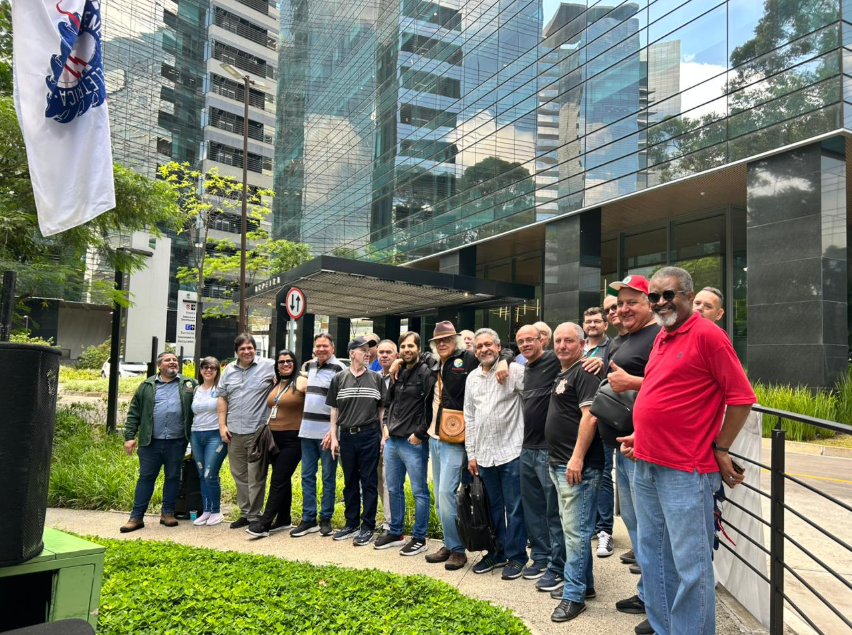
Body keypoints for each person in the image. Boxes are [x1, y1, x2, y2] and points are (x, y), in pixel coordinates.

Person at [622, 267, 754, 635]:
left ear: (688, 296)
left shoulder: (708, 335)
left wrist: (721, 448)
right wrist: (640, 434)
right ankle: (665, 628)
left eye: (669, 294)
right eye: (655, 296)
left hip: (686, 470)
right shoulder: (663, 337)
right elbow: (663, 392)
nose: (661, 302)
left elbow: (741, 398)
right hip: (647, 462)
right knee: (653, 558)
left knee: (690, 567)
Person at [417, 320, 510, 571]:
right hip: (435, 436)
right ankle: (450, 543)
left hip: (456, 439)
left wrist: (504, 361)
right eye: (438, 340)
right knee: (440, 498)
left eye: (447, 339)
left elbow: (502, 352)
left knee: (447, 494)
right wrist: (396, 362)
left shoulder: (467, 358)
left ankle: (458, 550)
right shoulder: (433, 362)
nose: (443, 343)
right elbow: (411, 358)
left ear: (456, 340)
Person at [605, 274, 660, 635]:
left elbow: (672, 383)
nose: (624, 309)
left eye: (632, 302)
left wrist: (632, 383)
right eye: (620, 303)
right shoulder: (625, 338)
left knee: (651, 533)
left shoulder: (658, 336)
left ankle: (660, 610)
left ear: (650, 303)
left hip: (646, 450)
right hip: (623, 448)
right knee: (637, 528)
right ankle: (647, 594)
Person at [545, 322, 604, 623]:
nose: (562, 346)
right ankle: (585, 585)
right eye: (558, 341)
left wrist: (577, 458)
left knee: (576, 534)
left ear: (582, 344)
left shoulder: (585, 371)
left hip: (578, 467)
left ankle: (574, 596)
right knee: (574, 530)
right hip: (560, 464)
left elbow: (590, 417)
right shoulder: (564, 372)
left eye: (569, 341)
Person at [465, 328, 528, 579]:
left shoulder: (514, 371)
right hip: (484, 455)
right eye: (479, 346)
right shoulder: (472, 378)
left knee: (514, 508)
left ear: (499, 346)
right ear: (475, 351)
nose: (484, 349)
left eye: (488, 344)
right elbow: (469, 417)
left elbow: (533, 401)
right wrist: (471, 454)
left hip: (511, 451)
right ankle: (497, 552)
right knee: (492, 509)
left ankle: (517, 556)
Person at [120, 352, 196, 532]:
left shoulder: (189, 384)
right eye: (168, 360)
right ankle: (136, 517)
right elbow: (134, 412)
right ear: (159, 365)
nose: (172, 362)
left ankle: (167, 513)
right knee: (146, 478)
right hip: (150, 442)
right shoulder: (147, 385)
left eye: (174, 360)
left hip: (177, 442)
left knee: (173, 477)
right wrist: (129, 437)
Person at [515, 323, 565, 591]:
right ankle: (541, 557)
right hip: (526, 448)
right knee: (532, 509)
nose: (525, 344)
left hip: (548, 449)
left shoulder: (554, 360)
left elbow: (578, 360)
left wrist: (595, 362)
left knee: (552, 511)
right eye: (520, 341)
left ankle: (558, 565)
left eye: (530, 339)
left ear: (542, 340)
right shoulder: (524, 367)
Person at [376, 331, 434, 556]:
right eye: (403, 347)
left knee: (419, 491)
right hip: (393, 440)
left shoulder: (426, 371)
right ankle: (396, 532)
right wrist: (385, 425)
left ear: (419, 348)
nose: (407, 350)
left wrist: (420, 433)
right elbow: (389, 403)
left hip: (414, 442)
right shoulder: (398, 372)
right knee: (393, 488)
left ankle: (420, 538)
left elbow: (431, 406)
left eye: (411, 346)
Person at [326, 336, 387, 546]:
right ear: (352, 353)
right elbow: (334, 410)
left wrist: (383, 436)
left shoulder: (376, 378)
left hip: (369, 435)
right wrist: (334, 437)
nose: (368, 353)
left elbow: (381, 411)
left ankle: (368, 526)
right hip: (346, 436)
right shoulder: (339, 378)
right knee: (350, 481)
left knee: (369, 481)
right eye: (363, 350)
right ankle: (351, 523)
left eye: (369, 350)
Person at [217, 333, 276, 529]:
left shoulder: (269, 365)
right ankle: (245, 512)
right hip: (233, 432)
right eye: (242, 348)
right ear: (237, 351)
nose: (247, 351)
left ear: (255, 349)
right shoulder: (228, 370)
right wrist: (222, 426)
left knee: (256, 475)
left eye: (250, 348)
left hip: (257, 432)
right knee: (239, 475)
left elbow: (289, 375)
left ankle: (255, 515)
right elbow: (222, 398)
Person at [247, 349, 307, 538]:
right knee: (283, 478)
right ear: (277, 365)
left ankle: (264, 523)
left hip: (293, 439)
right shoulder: (277, 382)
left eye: (289, 361)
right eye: (281, 362)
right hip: (273, 439)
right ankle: (283, 519)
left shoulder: (301, 381)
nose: (285, 364)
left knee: (278, 479)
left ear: (295, 363)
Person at [291, 333, 344, 538]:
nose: (321, 349)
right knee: (307, 476)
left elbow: (342, 403)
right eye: (318, 346)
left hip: (327, 434)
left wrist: (334, 432)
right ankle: (308, 518)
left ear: (333, 348)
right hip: (307, 431)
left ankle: (326, 518)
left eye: (325, 346)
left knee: (328, 477)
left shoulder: (339, 368)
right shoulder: (311, 366)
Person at [583, 306, 614, 558]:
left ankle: (605, 530)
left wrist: (603, 366)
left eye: (596, 321)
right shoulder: (578, 346)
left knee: (603, 476)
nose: (592, 325)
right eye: (588, 321)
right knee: (583, 473)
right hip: (579, 422)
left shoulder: (611, 347)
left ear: (605, 324)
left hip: (602, 419)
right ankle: (591, 524)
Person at [190, 357, 227, 527]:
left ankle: (216, 511)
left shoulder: (220, 389)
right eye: (205, 367)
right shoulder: (196, 389)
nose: (209, 370)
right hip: (197, 434)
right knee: (201, 474)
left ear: (218, 371)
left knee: (210, 474)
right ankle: (207, 510)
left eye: (213, 367)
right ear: (200, 370)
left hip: (215, 435)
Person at [375, 339, 398, 533]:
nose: (384, 355)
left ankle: (391, 524)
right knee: (378, 480)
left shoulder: (400, 376)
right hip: (372, 435)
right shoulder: (373, 377)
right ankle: (387, 519)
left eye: (388, 352)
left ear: (396, 355)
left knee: (389, 479)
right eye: (381, 352)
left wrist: (386, 435)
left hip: (392, 436)